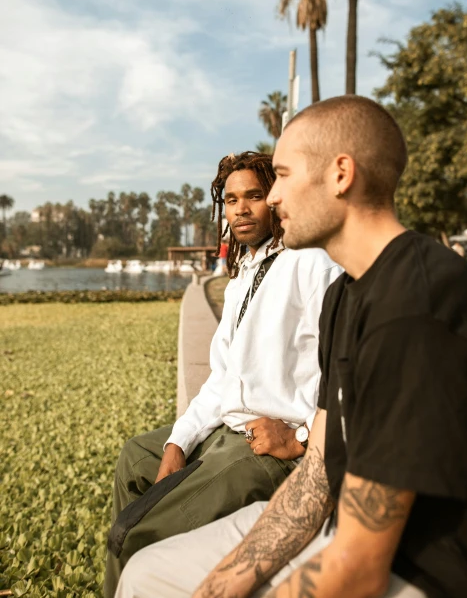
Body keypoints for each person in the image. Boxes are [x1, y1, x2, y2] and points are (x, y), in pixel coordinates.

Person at [116, 96, 467, 598]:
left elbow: (358, 567)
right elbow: (314, 480)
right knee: (145, 574)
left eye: (282, 176)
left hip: (432, 573)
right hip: (340, 532)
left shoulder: (418, 302)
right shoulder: (346, 297)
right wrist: (218, 586)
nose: (274, 198)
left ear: (340, 175)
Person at [104, 150, 341, 597]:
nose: (242, 208)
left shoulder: (312, 264)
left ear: (274, 198)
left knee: (134, 534)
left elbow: (348, 369)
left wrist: (302, 438)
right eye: (231, 200)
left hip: (263, 452)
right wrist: (178, 441)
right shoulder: (242, 279)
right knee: (136, 458)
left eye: (254, 195)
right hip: (224, 432)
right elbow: (221, 379)